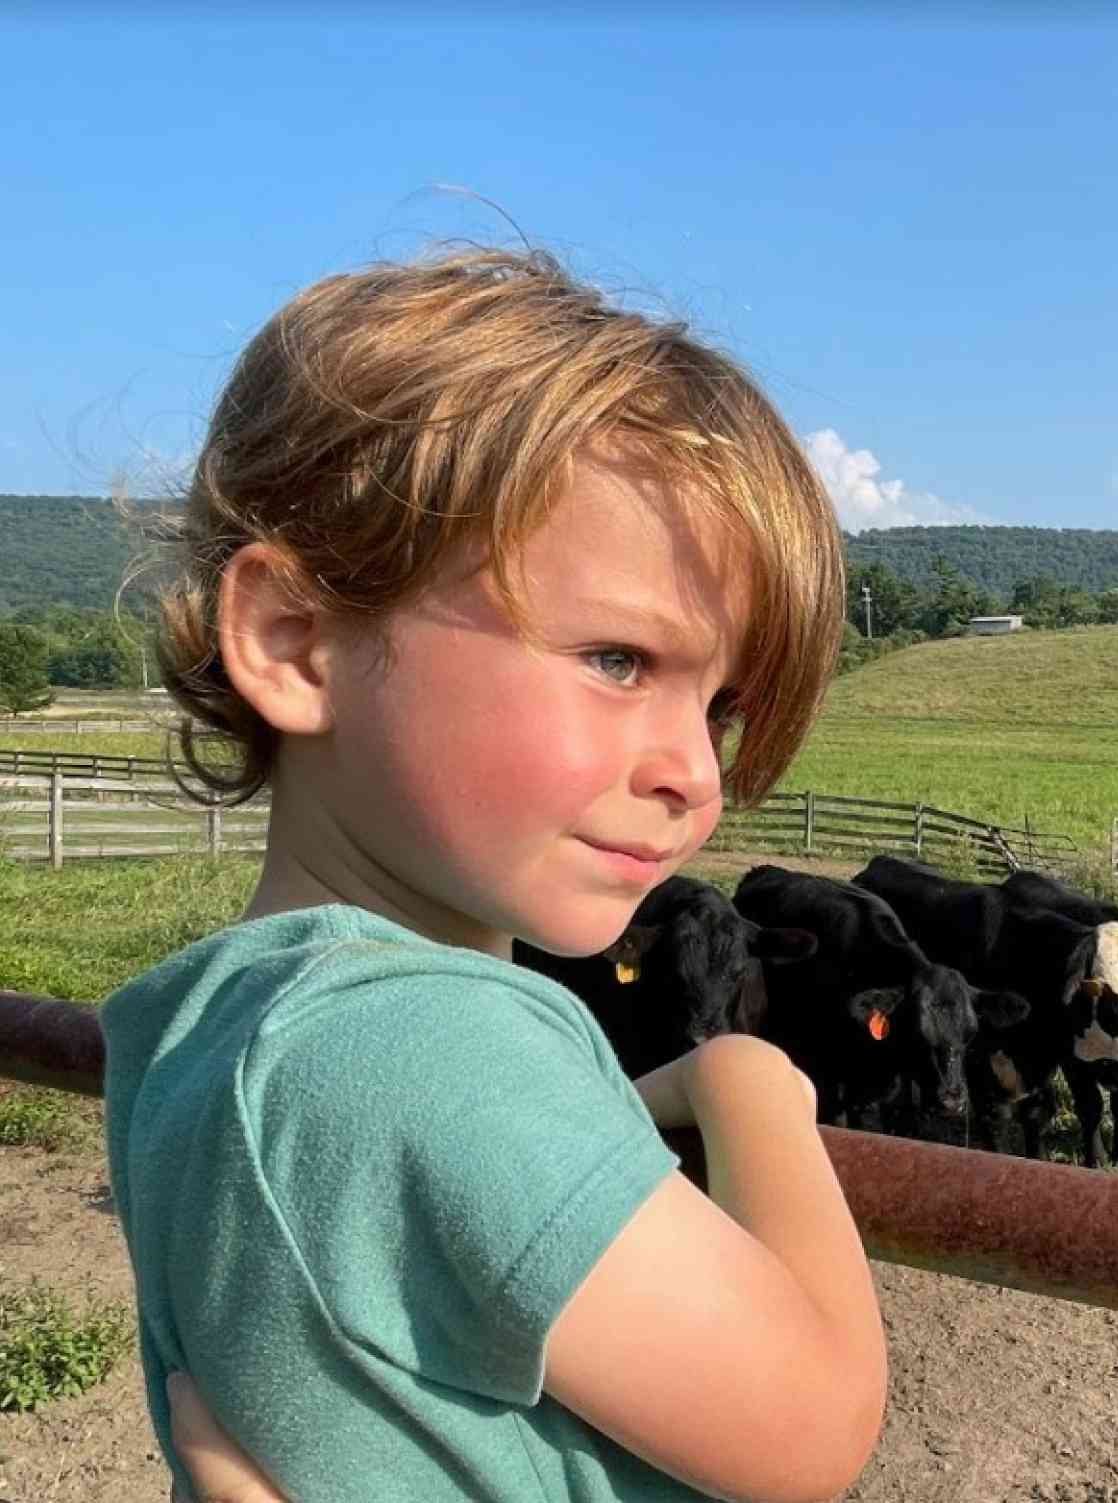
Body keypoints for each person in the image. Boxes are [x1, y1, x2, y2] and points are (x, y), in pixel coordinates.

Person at [100, 247, 886, 1502]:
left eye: (722, 705)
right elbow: (816, 1426)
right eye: (619, 660)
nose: (697, 772)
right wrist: (748, 1087)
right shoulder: (424, 1047)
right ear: (298, 644)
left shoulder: (185, 1031)